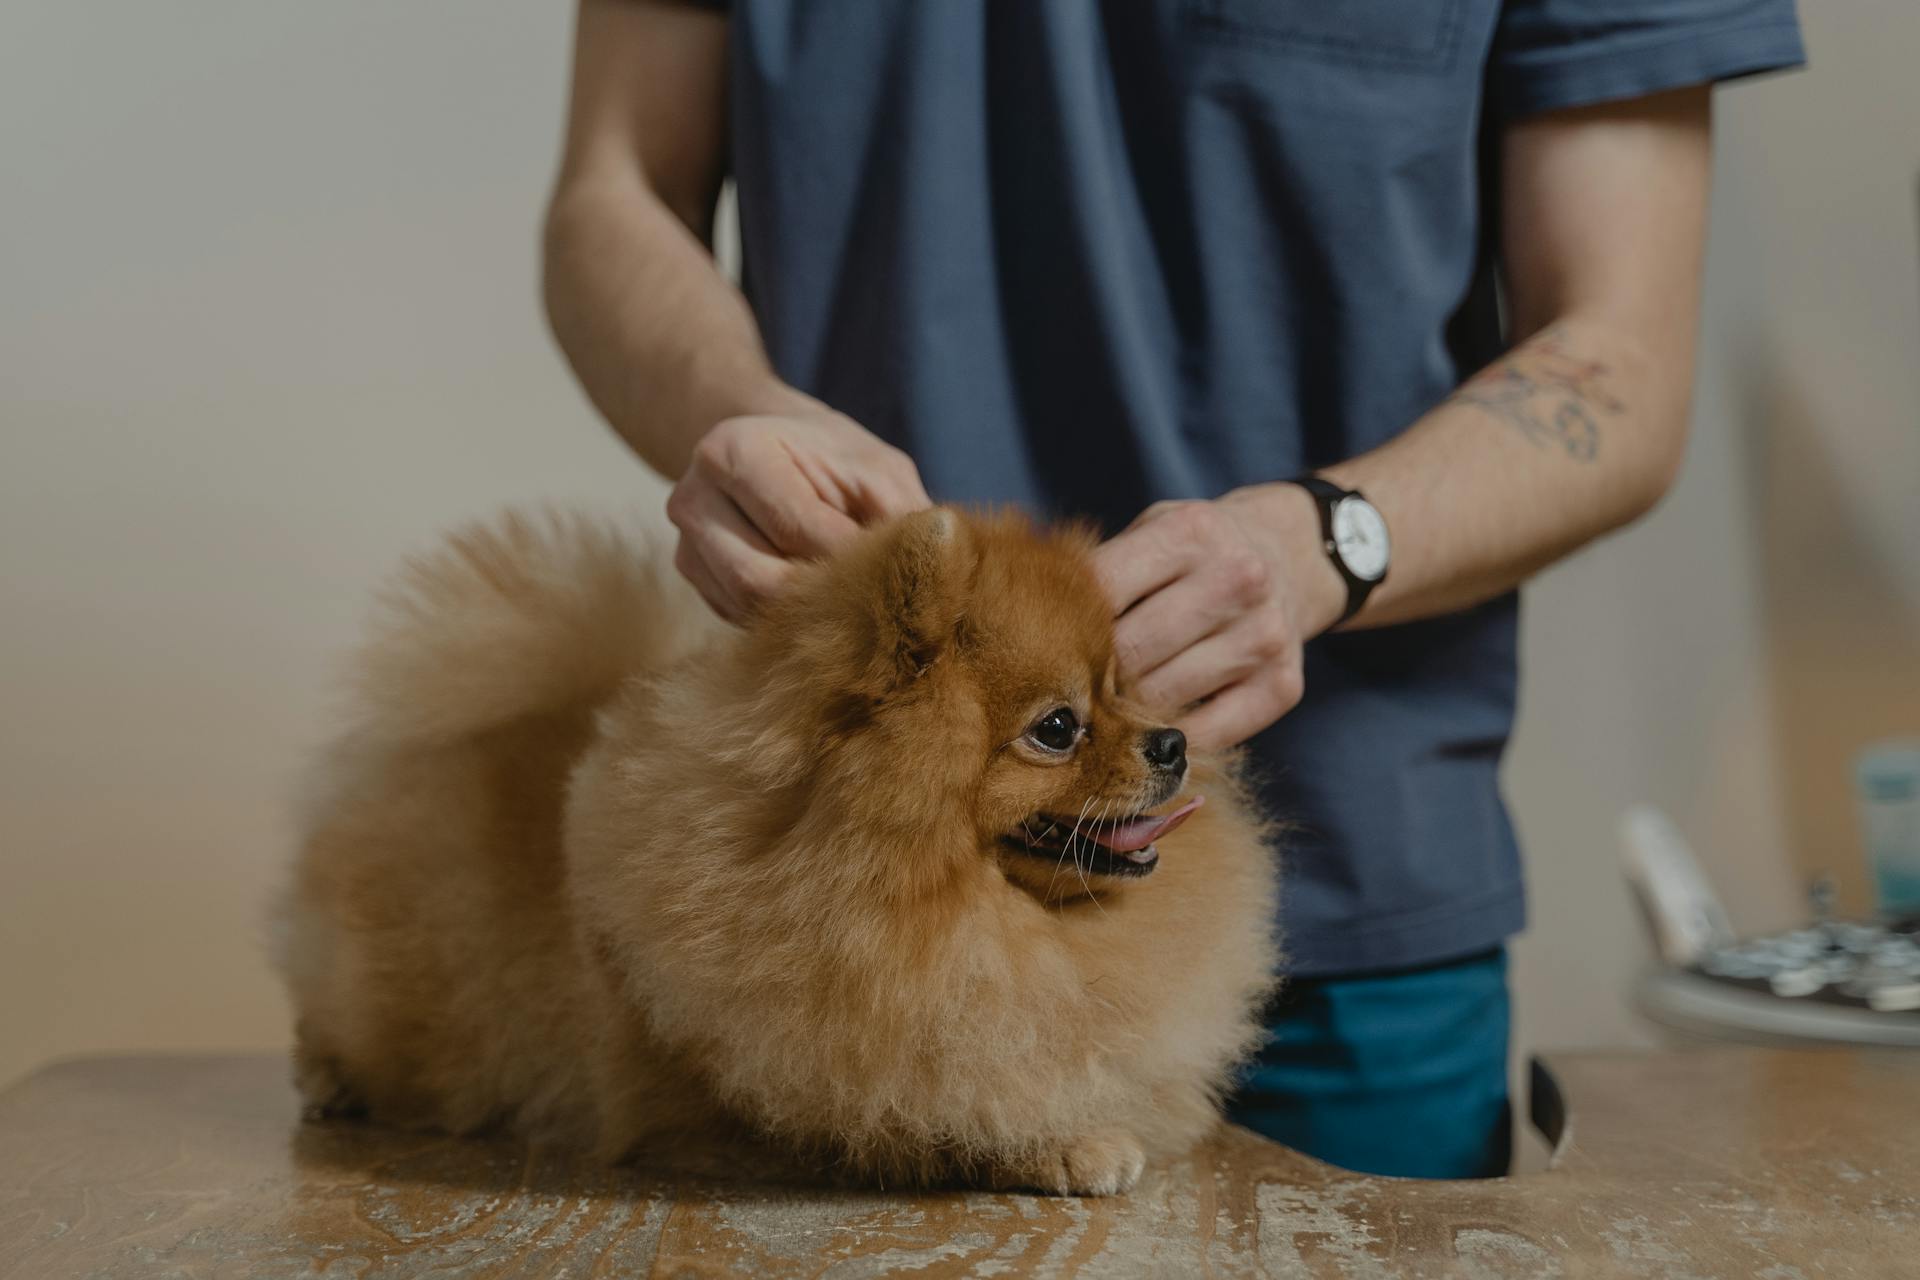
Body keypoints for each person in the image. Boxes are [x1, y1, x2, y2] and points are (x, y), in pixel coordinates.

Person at [541, 0, 1804, 1178]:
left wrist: (1329, 542)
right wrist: (739, 414)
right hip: (830, 960)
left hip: (1342, 930)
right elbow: (611, 195)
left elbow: (1621, 357)